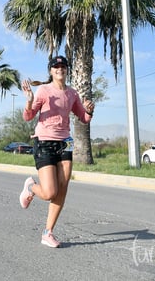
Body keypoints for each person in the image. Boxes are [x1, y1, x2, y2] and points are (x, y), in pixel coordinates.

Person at [19, 55, 95, 248]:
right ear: (51, 71)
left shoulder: (72, 94)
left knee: (63, 188)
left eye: (63, 66)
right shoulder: (43, 90)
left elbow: (83, 118)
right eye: (56, 66)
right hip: (44, 142)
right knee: (49, 192)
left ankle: (48, 232)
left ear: (67, 70)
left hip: (66, 142)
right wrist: (29, 101)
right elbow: (28, 117)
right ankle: (30, 187)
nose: (60, 69)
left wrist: (89, 110)